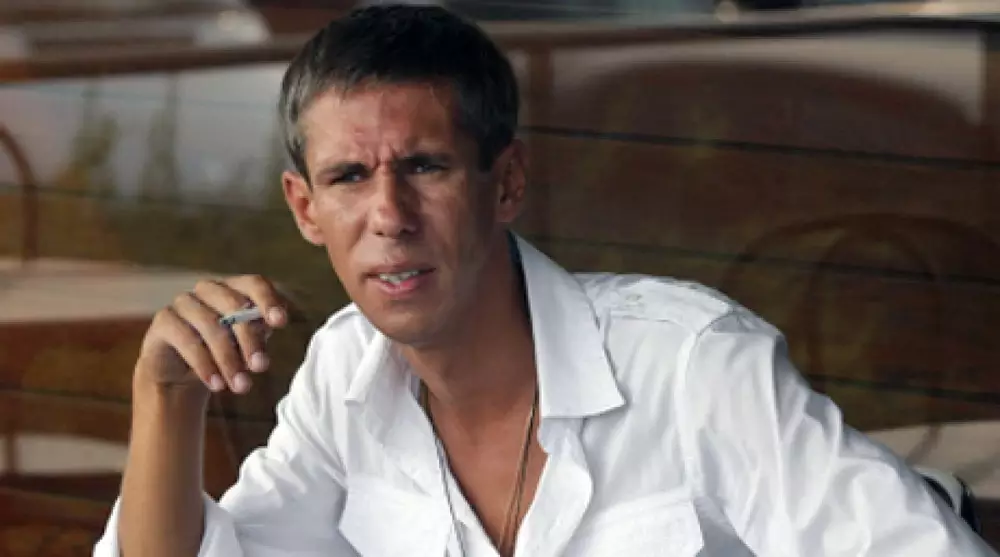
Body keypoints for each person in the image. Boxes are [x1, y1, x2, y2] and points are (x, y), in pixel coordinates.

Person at [94, 4, 996, 557]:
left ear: (508, 182)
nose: (389, 214)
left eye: (426, 167)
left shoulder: (690, 367)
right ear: (304, 208)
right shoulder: (345, 376)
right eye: (349, 177)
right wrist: (165, 398)